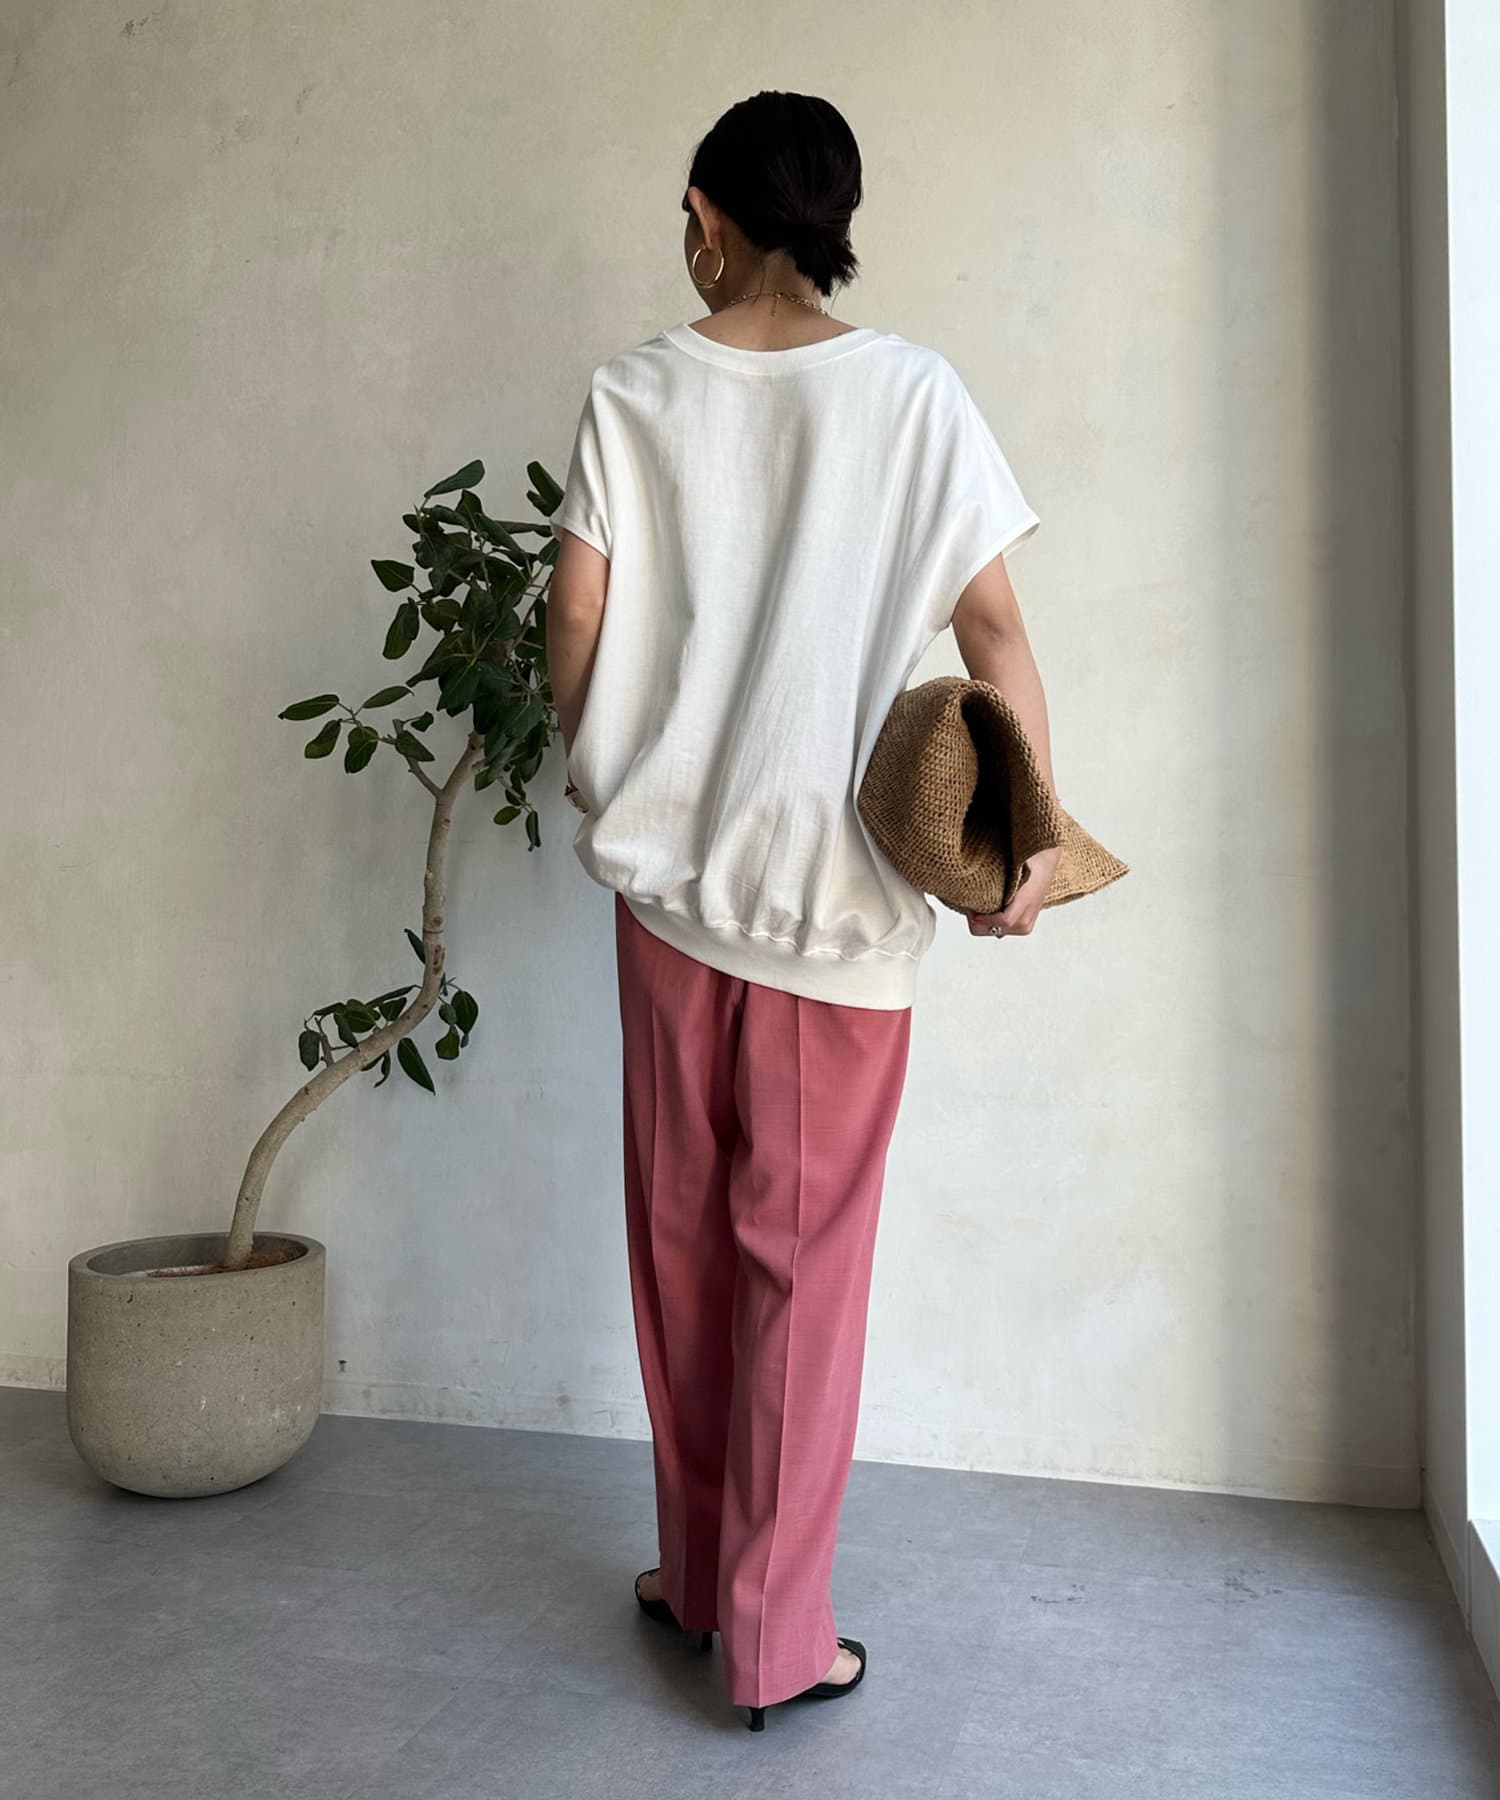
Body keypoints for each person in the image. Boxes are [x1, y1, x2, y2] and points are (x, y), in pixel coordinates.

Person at [544, 90, 1060, 1734]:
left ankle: (699, 1582)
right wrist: (1031, 836)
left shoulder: (636, 390)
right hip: (839, 921)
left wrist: (604, 769)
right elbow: (995, 633)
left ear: (710, 215)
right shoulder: (916, 395)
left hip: (669, 906)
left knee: (680, 1253)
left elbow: (576, 615)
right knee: (802, 1281)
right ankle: (774, 1641)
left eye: (686, 220)